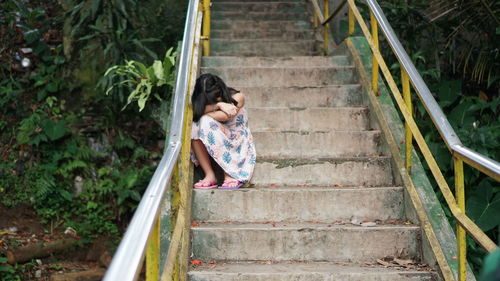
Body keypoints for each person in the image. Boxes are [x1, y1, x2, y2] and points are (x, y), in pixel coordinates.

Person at [190, 73, 256, 189]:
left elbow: (226, 116)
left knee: (203, 119)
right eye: (211, 99)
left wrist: (204, 112)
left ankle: (230, 174)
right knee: (195, 126)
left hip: (236, 139)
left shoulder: (237, 97)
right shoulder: (211, 104)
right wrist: (219, 105)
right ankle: (210, 175)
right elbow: (195, 113)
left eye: (218, 96)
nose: (217, 99)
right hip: (216, 136)